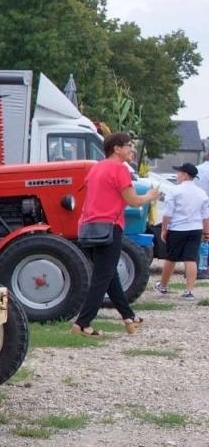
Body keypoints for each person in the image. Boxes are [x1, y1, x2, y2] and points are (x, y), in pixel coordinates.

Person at [71, 132, 161, 336]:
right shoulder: (119, 169)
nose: (132, 149)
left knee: (109, 275)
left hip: (88, 226)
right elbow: (134, 201)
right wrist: (151, 195)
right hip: (109, 227)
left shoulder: (96, 168)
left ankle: (128, 317)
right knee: (102, 278)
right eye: (128, 145)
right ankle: (83, 323)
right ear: (116, 148)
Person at [155, 162, 209, 298]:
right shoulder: (201, 193)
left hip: (178, 228)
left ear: (185, 175)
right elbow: (205, 216)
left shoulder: (175, 191)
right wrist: (206, 232)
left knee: (171, 258)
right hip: (195, 228)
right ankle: (189, 291)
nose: (177, 175)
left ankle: (163, 286)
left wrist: (164, 229)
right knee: (190, 259)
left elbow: (168, 213)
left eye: (179, 172)